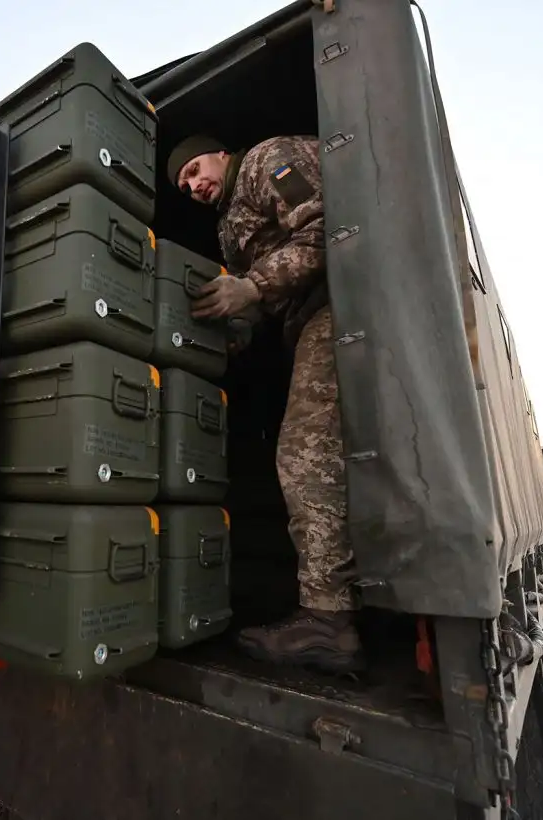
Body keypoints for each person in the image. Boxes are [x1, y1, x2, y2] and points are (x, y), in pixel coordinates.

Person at [167, 133, 364, 675]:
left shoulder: (266, 161)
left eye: (195, 169)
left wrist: (250, 287)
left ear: (220, 154)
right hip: (305, 321)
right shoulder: (228, 229)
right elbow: (260, 302)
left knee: (303, 456)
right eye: (184, 185)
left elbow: (331, 230)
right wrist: (238, 330)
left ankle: (328, 620)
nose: (193, 185)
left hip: (341, 304)